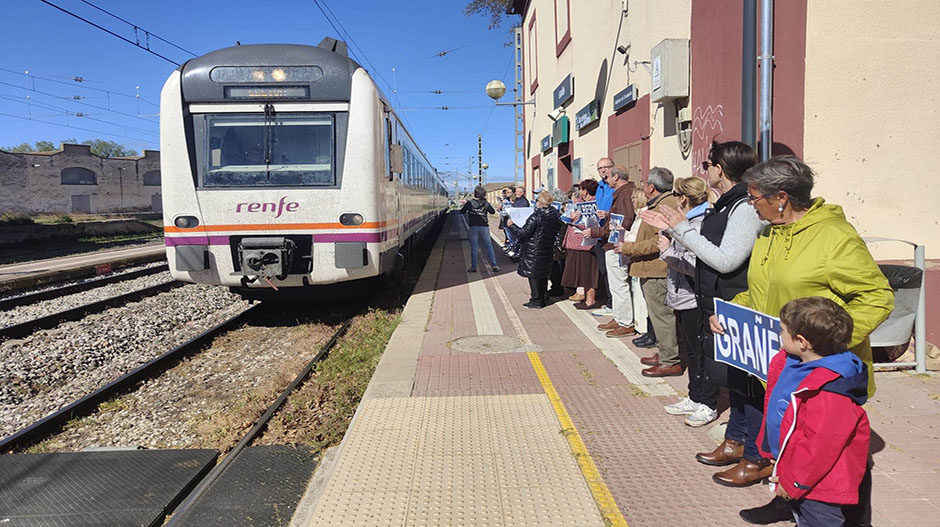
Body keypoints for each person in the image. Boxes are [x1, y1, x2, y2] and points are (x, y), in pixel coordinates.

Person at [713, 156, 892, 522]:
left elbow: (878, 297)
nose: (751, 205)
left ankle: (851, 518)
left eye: (754, 197)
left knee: (831, 452)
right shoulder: (768, 233)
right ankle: (786, 500)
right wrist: (731, 311)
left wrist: (824, 342)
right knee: (789, 438)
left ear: (781, 198)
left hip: (825, 371)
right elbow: (760, 293)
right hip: (784, 364)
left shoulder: (834, 237)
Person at [640, 140, 764, 479]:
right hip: (717, 304)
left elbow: (725, 260)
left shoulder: (742, 207)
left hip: (738, 305)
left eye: (708, 164)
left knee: (747, 382)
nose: (704, 170)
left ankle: (754, 454)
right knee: (735, 378)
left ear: (719, 169)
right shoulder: (725, 204)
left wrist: (679, 228)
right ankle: (735, 440)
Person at [759, 297, 871, 527]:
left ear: (802, 341)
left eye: (782, 330)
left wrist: (794, 483)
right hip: (799, 471)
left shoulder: (829, 390)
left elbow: (819, 447)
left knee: (818, 520)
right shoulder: (794, 362)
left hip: (820, 484)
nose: (779, 335)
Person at [658, 176, 718, 426]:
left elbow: (697, 264)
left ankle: (708, 402)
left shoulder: (700, 223)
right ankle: (695, 395)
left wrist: (667, 252)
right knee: (693, 352)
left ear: (682, 198)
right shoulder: (688, 221)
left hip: (694, 297)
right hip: (682, 295)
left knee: (702, 351)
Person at [619, 167, 680, 376]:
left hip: (657, 269)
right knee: (657, 316)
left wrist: (629, 248)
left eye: (644, 183)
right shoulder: (661, 203)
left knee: (662, 315)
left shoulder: (664, 206)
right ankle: (663, 352)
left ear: (651, 187)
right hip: (651, 268)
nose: (642, 186)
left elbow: (657, 242)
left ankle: (669, 359)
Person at [581, 166, 636, 336]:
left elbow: (624, 221)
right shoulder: (620, 194)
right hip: (611, 244)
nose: (606, 179)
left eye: (608, 176)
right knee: (615, 285)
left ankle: (626, 322)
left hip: (617, 245)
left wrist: (596, 231)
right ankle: (619, 317)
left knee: (620, 285)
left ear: (617, 177)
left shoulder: (626, 194)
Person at [507, 190, 562, 309]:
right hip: (547, 248)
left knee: (534, 276)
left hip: (533, 249)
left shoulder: (536, 216)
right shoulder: (554, 215)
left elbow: (523, 233)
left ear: (540, 203)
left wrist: (512, 226)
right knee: (543, 275)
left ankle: (536, 300)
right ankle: (543, 298)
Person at [561, 179, 601, 309]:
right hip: (579, 242)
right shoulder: (580, 204)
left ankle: (590, 299)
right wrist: (571, 215)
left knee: (589, 272)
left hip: (588, 242)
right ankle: (585, 297)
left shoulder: (595, 203)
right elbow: (564, 219)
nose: (579, 192)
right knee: (583, 272)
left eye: (581, 189)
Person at [592, 158, 616, 317]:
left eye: (606, 167)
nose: (603, 170)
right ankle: (609, 301)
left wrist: (608, 214)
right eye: (600, 168)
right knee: (604, 270)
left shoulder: (615, 187)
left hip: (612, 233)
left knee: (613, 271)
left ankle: (613, 304)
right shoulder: (599, 187)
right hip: (599, 233)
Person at [459, 185, 500, 273]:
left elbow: (461, 212)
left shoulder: (470, 203)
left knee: (474, 247)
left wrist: (469, 208)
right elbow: (492, 212)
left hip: (473, 226)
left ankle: (474, 267)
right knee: (489, 246)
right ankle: (494, 265)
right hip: (484, 226)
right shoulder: (486, 203)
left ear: (475, 194)